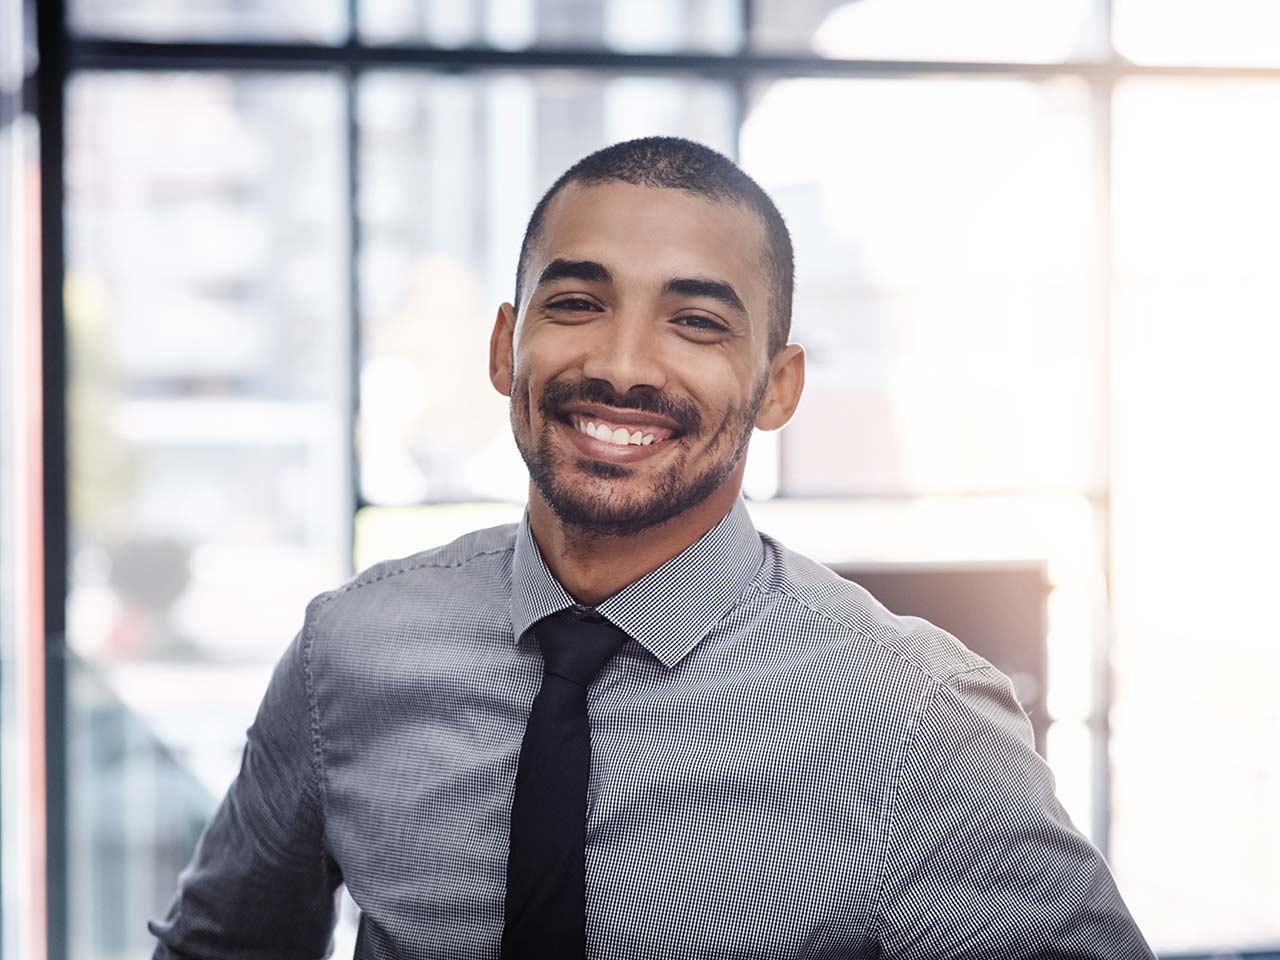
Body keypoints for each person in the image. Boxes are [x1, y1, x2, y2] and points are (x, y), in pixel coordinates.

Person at [149, 136, 1154, 959]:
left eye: (697, 322)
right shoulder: (350, 652)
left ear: (777, 386)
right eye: (576, 303)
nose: (621, 364)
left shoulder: (915, 718)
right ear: (506, 347)